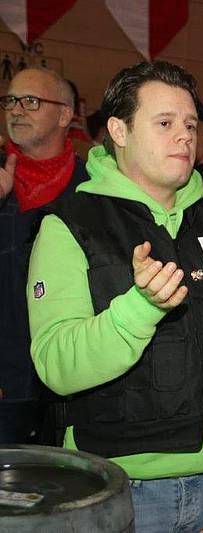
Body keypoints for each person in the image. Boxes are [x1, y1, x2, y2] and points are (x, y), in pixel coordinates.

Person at [26, 61, 203, 532]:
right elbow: (56, 365)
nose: (184, 136)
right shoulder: (69, 225)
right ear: (119, 130)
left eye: (191, 125)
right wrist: (141, 308)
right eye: (164, 123)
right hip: (116, 486)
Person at [0, 67, 89, 444]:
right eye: (10, 101)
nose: (16, 110)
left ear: (65, 115)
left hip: (72, 386)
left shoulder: (92, 188)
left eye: (31, 101)